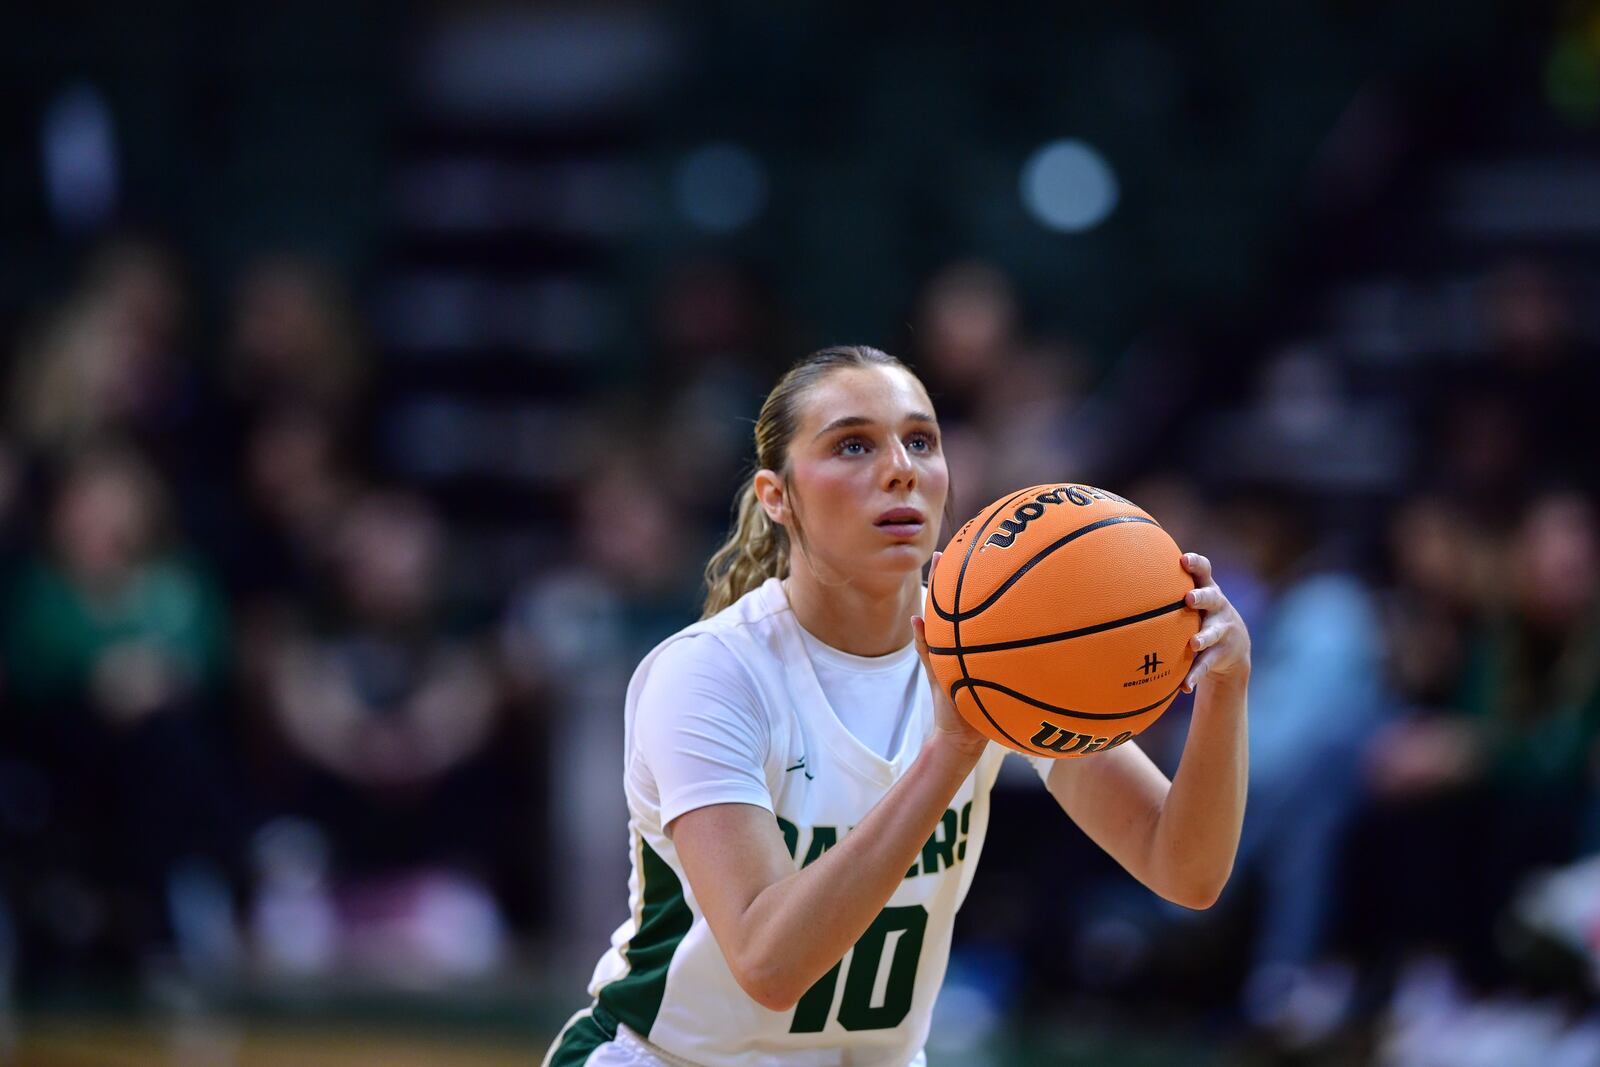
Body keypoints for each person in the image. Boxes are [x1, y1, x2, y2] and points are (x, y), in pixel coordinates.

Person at [544, 346, 1252, 1067]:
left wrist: (1225, 690)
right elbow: (769, 965)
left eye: (921, 440)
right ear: (776, 495)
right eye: (853, 444)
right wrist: (951, 751)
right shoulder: (711, 672)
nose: (901, 468)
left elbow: (1185, 870)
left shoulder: (997, 645)